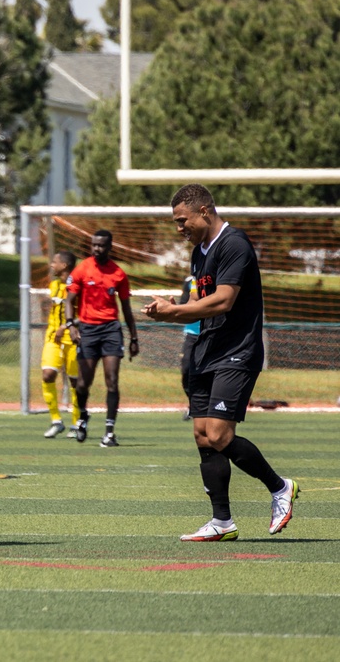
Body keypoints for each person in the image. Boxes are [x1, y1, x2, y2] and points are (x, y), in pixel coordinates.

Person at [143, 184, 298, 542]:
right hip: (207, 350)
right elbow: (201, 298)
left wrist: (174, 312)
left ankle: (280, 487)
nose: (179, 228)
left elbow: (224, 300)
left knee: (218, 433)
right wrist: (170, 308)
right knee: (202, 436)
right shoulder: (199, 252)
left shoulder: (235, 244)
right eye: (176, 222)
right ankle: (222, 522)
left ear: (205, 212)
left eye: (183, 221)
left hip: (237, 351)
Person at [64, 230, 139, 448]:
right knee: (83, 383)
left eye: (101, 245)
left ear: (110, 246)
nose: (97, 249)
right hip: (87, 330)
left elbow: (126, 308)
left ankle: (109, 432)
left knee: (112, 381)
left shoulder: (118, 274)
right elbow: (70, 300)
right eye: (94, 245)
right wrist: (71, 325)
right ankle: (83, 416)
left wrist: (134, 338)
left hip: (111, 330)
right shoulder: (82, 269)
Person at [41, 251, 81, 438]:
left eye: (54, 262)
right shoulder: (54, 285)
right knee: (48, 375)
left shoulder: (79, 286)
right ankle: (56, 420)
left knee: (75, 382)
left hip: (73, 338)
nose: (51, 265)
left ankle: (76, 423)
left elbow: (86, 313)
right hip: (53, 338)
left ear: (64, 265)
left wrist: (66, 326)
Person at [179, 275, 201, 421]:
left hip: (214, 333)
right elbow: (183, 303)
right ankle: (193, 404)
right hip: (192, 334)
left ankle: (204, 407)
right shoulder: (190, 281)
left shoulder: (220, 277)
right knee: (186, 369)